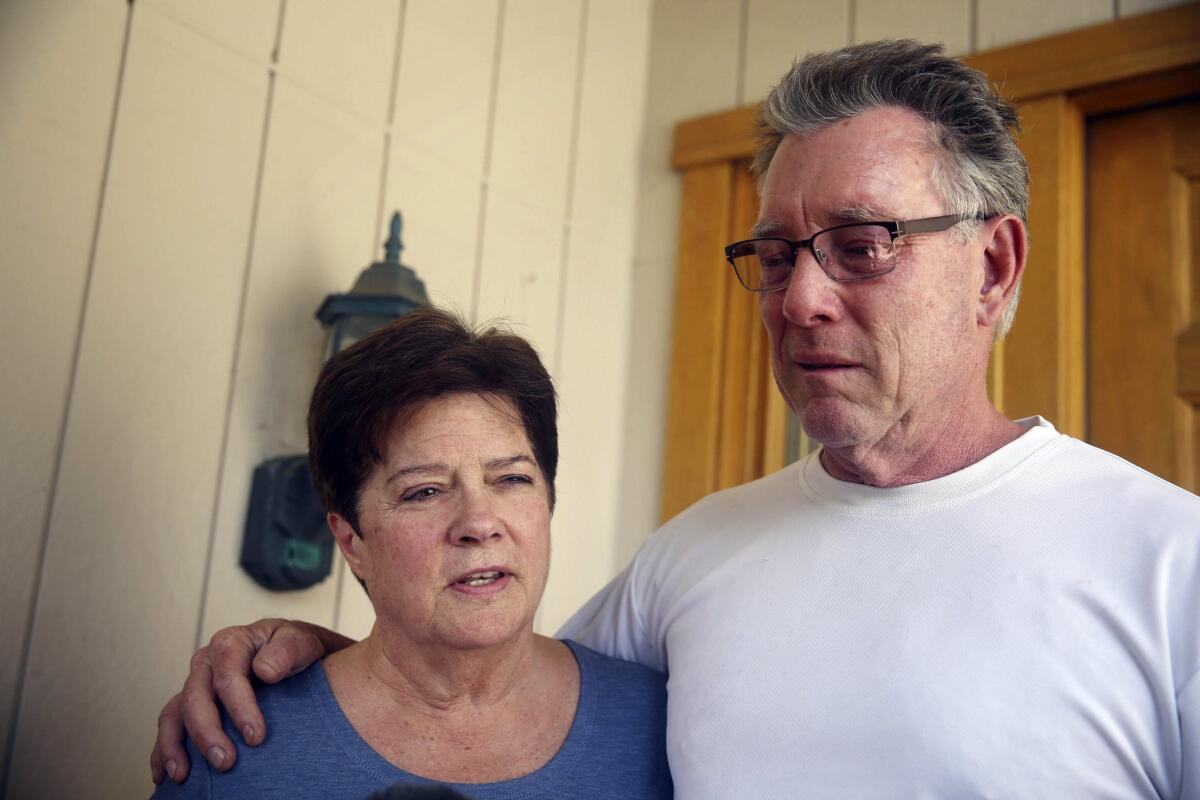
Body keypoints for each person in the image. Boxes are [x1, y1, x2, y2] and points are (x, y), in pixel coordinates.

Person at [153, 41, 1200, 798]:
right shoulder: (694, 557)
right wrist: (309, 664)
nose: (800, 300)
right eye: (778, 255)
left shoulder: (1168, 565)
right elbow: (491, 692)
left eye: (864, 242)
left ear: (995, 264)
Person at [150, 308, 672, 798]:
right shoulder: (233, 740)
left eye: (512, 479)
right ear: (352, 542)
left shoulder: (664, 722)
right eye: (423, 491)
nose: (479, 523)